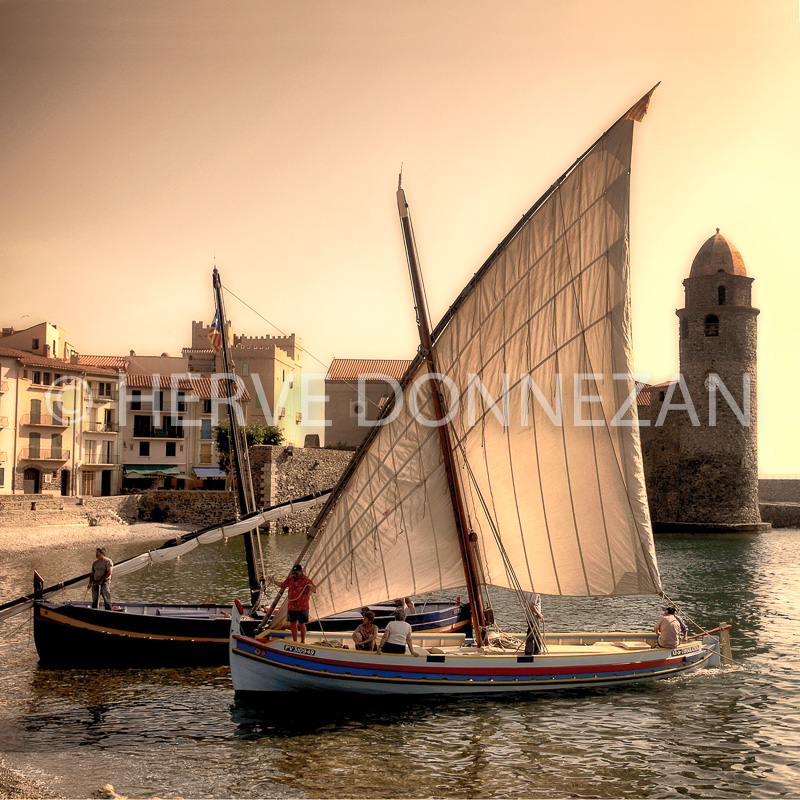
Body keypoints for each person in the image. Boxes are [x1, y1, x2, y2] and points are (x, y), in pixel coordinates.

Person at [269, 564, 316, 643]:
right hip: (292, 607)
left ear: (301, 572)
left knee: (301, 624)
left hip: (302, 607)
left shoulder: (306, 580)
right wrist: (274, 582)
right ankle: (295, 641)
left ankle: (302, 641)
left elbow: (314, 589)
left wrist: (311, 587)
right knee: (292, 624)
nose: (295, 575)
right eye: (293, 573)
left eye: (296, 573)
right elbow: (283, 585)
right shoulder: (290, 579)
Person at [523, 591, 544, 656]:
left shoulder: (526, 592)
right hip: (534, 617)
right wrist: (539, 614)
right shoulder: (535, 593)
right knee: (532, 635)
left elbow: (525, 604)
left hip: (529, 617)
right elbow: (531, 605)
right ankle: (529, 653)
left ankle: (537, 651)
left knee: (535, 634)